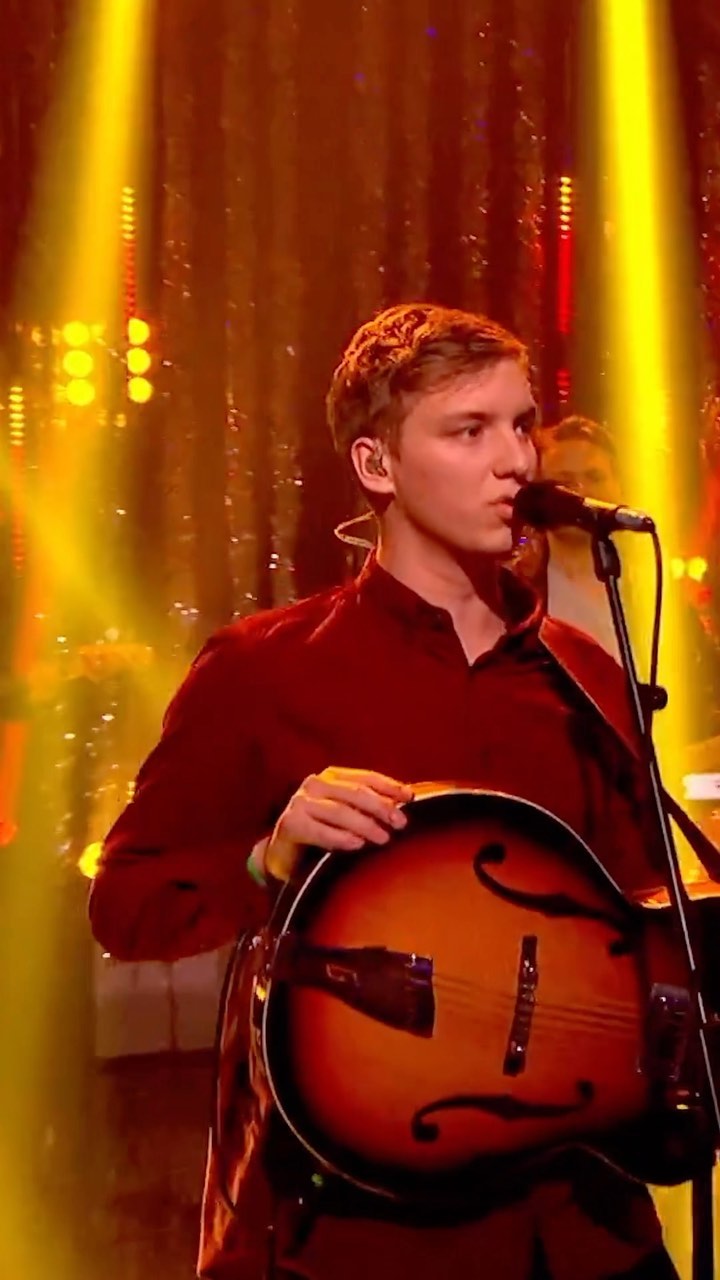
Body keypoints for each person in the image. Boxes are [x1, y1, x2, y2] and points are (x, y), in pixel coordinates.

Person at [89, 303, 684, 1280]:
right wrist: (264, 858)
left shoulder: (587, 677)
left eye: (522, 424)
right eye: (469, 431)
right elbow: (126, 902)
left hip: (583, 1226)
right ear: (377, 464)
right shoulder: (264, 669)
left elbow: (650, 925)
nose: (517, 461)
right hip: (360, 1233)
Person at [535, 417, 622, 658]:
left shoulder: (654, 584)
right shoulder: (517, 594)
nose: (581, 491)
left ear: (619, 486)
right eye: (564, 481)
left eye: (594, 477)